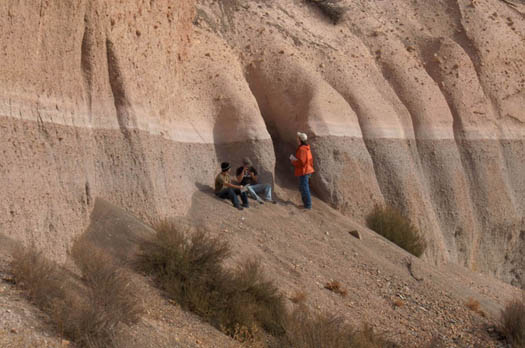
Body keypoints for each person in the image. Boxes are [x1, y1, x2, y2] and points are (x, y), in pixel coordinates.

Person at [290, 132, 314, 210]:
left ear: (300, 139)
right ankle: (306, 204)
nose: (297, 139)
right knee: (303, 187)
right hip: (307, 170)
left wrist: (293, 160)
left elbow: (301, 162)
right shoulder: (306, 147)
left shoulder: (302, 149)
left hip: (304, 171)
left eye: (298, 137)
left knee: (304, 188)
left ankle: (308, 205)